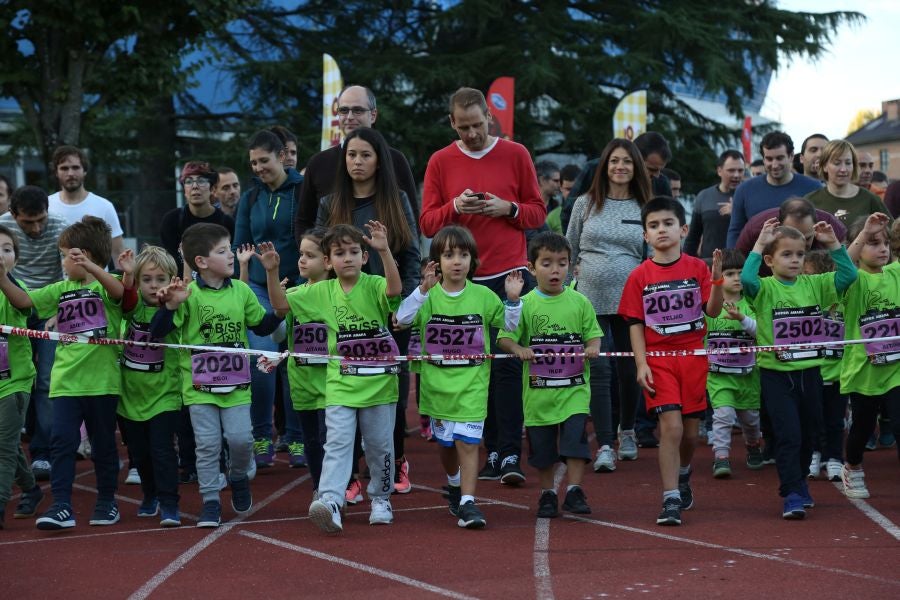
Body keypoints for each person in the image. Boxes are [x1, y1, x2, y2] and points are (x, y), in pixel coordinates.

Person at [420, 86, 546, 485]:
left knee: (507, 367)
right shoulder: (440, 160)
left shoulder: (516, 153)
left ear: (489, 118)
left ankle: (509, 453)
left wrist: (507, 208)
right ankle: (489, 450)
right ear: (452, 123)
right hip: (462, 281)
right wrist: (455, 207)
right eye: (464, 127)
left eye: (478, 125)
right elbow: (427, 223)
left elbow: (537, 212)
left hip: (509, 276)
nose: (473, 134)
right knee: (475, 369)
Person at [150, 223, 282, 528]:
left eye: (230, 249)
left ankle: (238, 475)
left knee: (241, 440)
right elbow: (158, 333)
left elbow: (262, 326)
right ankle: (210, 501)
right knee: (207, 445)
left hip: (237, 387)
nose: (231, 255)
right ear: (202, 261)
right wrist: (170, 306)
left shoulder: (242, 291)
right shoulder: (188, 293)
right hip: (199, 388)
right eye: (222, 251)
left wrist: (279, 308)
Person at [0, 217, 125, 531]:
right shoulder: (61, 289)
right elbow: (25, 301)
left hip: (101, 383)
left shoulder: (106, 284)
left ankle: (106, 502)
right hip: (65, 383)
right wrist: (2, 278)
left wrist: (93, 267)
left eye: (64, 256)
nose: (62, 263)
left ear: (82, 256)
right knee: (62, 445)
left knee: (103, 446)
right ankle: (61, 506)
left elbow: (121, 292)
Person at [315, 126, 420, 496]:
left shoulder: (397, 200)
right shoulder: (329, 203)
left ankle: (394, 462)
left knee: (390, 390)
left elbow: (411, 254)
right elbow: (318, 254)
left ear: (379, 161)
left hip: (389, 309)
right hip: (344, 312)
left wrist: (403, 305)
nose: (357, 162)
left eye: (365, 155)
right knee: (345, 390)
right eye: (351, 155)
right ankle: (350, 477)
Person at [396, 225, 523, 529]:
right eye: (449, 255)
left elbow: (509, 325)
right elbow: (401, 319)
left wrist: (513, 301)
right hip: (438, 389)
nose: (457, 261)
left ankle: (467, 503)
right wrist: (421, 291)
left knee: (468, 443)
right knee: (447, 445)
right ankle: (454, 483)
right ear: (437, 261)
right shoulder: (427, 296)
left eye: (463, 255)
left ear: (472, 260)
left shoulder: (483, 296)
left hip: (472, 387)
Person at [287, 223, 401, 533]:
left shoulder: (374, 284)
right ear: (328, 261)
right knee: (336, 443)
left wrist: (384, 250)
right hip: (340, 383)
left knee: (379, 446)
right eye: (339, 253)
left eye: (353, 252)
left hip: (379, 383)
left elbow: (394, 291)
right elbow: (281, 305)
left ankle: (381, 498)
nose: (347, 258)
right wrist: (272, 273)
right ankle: (331, 501)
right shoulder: (321, 292)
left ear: (364, 257)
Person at [741, 216, 856, 519]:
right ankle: (791, 492)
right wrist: (759, 243)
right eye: (787, 254)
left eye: (800, 254)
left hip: (810, 373)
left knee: (810, 435)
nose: (795, 260)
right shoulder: (765, 288)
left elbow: (848, 276)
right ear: (770, 260)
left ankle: (801, 480)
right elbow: (747, 280)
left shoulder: (815, 284)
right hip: (777, 376)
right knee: (788, 434)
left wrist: (833, 244)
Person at [618, 197, 724, 526]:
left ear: (683, 229)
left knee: (690, 435)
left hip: (692, 358)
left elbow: (713, 311)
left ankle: (684, 472)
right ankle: (670, 499)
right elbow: (635, 324)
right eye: (653, 225)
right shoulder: (639, 275)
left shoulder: (697, 268)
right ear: (645, 235)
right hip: (659, 360)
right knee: (671, 427)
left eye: (667, 223)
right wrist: (641, 364)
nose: (661, 229)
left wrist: (717, 281)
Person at [498, 232, 602, 518]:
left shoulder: (580, 302)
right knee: (542, 448)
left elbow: (593, 334)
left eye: (562, 263)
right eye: (546, 264)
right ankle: (547, 493)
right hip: (538, 393)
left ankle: (575, 491)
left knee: (576, 441)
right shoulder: (525, 304)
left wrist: (593, 347)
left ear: (570, 265)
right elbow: (504, 337)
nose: (555, 270)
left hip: (574, 389)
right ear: (531, 268)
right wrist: (518, 348)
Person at [566, 138, 653, 468]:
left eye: (627, 161)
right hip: (589, 298)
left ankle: (627, 430)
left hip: (632, 301)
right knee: (599, 368)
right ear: (604, 166)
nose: (620, 167)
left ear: (636, 168)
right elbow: (570, 248)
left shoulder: (645, 206)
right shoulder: (585, 204)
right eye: (615, 160)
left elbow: (653, 254)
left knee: (630, 368)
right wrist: (564, 292)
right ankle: (604, 444)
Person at [234, 130, 305, 469]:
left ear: (282, 157)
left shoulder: (304, 190)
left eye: (264, 160)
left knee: (296, 364)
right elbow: (241, 245)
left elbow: (313, 239)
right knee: (262, 362)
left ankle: (296, 436)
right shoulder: (250, 198)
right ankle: (261, 435)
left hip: (299, 288)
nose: (258, 168)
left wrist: (301, 283)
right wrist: (247, 278)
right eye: (253, 163)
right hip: (260, 289)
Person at [0, 186, 67, 480]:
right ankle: (16, 442)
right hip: (12, 305)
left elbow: (68, 273)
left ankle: (42, 453)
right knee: (14, 376)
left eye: (41, 219)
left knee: (46, 380)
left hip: (49, 309)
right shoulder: (3, 228)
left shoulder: (60, 226)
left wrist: (59, 312)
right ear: (13, 215)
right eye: (29, 222)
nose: (37, 228)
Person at [295, 85, 418, 238]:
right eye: (343, 110)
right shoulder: (318, 163)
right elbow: (304, 221)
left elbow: (412, 220)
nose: (349, 117)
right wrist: (312, 251)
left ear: (373, 115)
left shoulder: (395, 160)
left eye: (358, 110)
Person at [116, 246, 182, 527]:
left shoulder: (177, 307)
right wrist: (128, 277)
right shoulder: (131, 306)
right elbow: (123, 299)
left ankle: (169, 503)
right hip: (130, 394)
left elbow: (160, 328)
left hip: (165, 393)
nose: (154, 286)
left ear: (171, 280)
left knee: (162, 450)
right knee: (139, 453)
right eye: (147, 279)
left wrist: (169, 304)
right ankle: (150, 494)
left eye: (160, 279)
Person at [263, 228, 330, 493]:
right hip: (302, 382)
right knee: (311, 441)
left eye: (310, 255)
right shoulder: (292, 294)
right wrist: (278, 311)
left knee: (331, 440)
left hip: (334, 382)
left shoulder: (339, 292)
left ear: (327, 261)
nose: (302, 260)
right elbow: (278, 336)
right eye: (301, 254)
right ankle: (318, 488)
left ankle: (337, 488)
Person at [840, 213, 899, 498]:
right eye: (873, 244)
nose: (883, 249)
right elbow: (844, 265)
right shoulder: (852, 280)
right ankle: (852, 466)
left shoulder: (896, 273)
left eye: (885, 243)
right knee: (863, 429)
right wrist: (864, 232)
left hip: (896, 367)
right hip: (864, 368)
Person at [704, 248, 762, 478]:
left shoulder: (752, 304)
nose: (737, 278)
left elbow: (762, 333)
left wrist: (742, 319)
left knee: (751, 420)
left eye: (740, 272)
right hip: (719, 376)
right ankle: (721, 457)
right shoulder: (710, 308)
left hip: (748, 375)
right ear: (718, 276)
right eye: (729, 273)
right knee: (723, 416)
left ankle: (753, 444)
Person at [0, 224, 43, 527]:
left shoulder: (17, 289)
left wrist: (2, 277)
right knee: (7, 442)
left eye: (6, 249)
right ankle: (31, 488)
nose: (1, 255)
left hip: (14, 381)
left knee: (3, 447)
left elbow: (21, 305)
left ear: (16, 257)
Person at [726, 131, 821, 247]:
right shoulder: (744, 190)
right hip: (757, 256)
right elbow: (735, 232)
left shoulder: (813, 187)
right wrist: (733, 257)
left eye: (780, 158)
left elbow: (820, 230)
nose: (774, 165)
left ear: (791, 156)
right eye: (769, 159)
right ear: (763, 159)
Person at [47, 146, 125, 264]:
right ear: (56, 172)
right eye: (64, 168)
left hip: (96, 275)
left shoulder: (104, 206)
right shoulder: (47, 205)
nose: (70, 173)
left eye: (75, 167)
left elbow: (118, 252)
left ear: (85, 171)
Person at [736, 197, 846, 277]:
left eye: (807, 238)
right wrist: (760, 245)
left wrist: (833, 243)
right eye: (793, 236)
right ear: (779, 226)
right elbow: (739, 270)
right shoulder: (756, 230)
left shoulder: (831, 229)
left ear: (816, 226)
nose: (801, 244)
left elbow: (848, 271)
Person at [160, 161, 235, 278]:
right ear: (184, 190)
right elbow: (168, 263)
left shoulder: (226, 222)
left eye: (201, 181)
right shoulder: (171, 220)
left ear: (213, 189)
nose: (195, 186)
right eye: (189, 181)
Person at [804, 139, 890, 228]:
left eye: (848, 163)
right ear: (825, 166)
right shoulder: (810, 201)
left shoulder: (870, 199)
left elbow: (891, 232)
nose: (843, 169)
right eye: (837, 163)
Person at [685, 150, 745, 261]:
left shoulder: (749, 196)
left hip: (740, 264)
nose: (736, 175)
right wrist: (686, 263)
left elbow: (756, 232)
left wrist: (737, 213)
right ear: (719, 171)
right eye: (731, 170)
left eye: (740, 170)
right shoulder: (704, 196)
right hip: (709, 263)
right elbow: (693, 237)